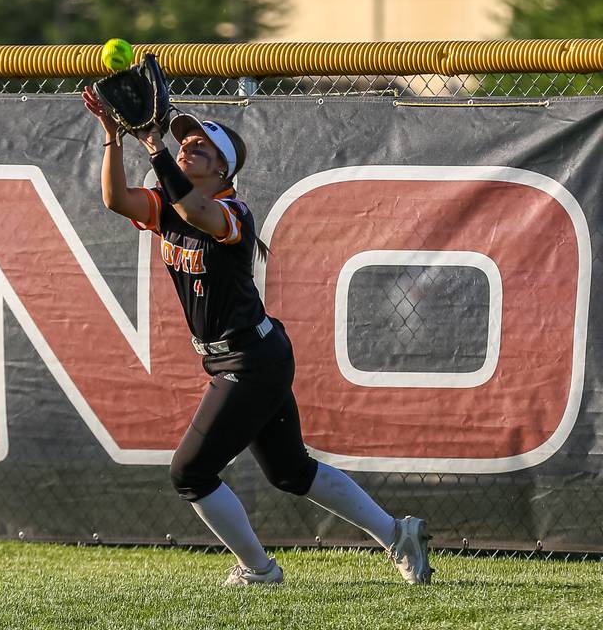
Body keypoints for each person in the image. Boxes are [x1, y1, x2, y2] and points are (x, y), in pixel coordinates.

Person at [82, 86, 433, 586]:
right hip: (243, 359)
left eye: (200, 145)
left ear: (223, 170)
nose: (187, 146)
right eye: (184, 142)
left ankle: (258, 569)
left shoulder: (233, 213)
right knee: (292, 473)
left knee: (191, 474)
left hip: (250, 361)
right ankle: (398, 533)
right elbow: (116, 198)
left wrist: (156, 149)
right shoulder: (165, 203)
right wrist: (112, 139)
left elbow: (197, 215)